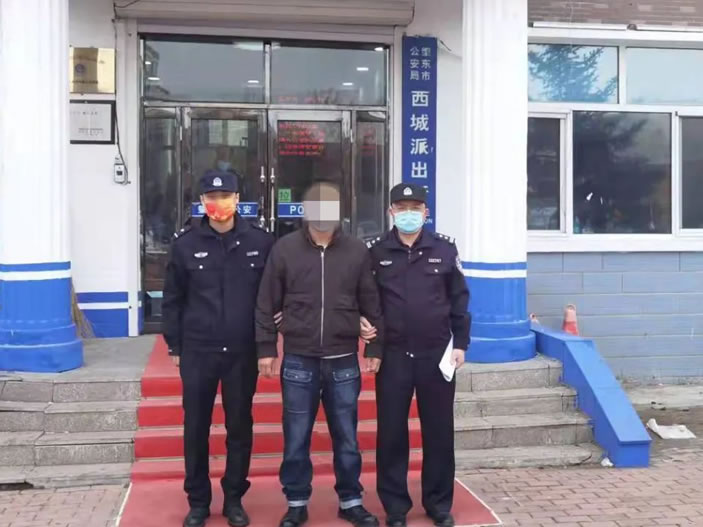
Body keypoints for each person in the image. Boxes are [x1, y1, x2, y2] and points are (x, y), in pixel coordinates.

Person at [256, 181, 384, 527]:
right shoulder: (285, 249)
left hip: (343, 359)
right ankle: (296, 502)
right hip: (299, 359)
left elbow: (371, 301)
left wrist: (375, 345)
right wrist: (266, 347)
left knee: (347, 437)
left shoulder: (356, 251)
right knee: (296, 437)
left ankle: (351, 500)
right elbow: (266, 301)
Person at [162, 170, 274, 527]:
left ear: (237, 199)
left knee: (239, 426)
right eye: (212, 197)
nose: (219, 203)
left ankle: (234, 498)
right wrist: (174, 343)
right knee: (196, 427)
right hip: (198, 350)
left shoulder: (261, 241)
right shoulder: (185, 244)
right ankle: (198, 501)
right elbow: (172, 299)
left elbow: (269, 298)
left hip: (242, 351)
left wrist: (266, 342)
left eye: (225, 196)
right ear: (202, 202)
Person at [365, 183, 471, 527]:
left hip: (436, 354)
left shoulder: (444, 248)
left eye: (415, 207)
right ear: (391, 212)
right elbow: (369, 303)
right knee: (391, 433)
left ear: (426, 212)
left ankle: (438, 503)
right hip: (393, 355)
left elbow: (459, 299)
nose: (408, 213)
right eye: (401, 207)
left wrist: (460, 344)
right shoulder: (376, 251)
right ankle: (395, 507)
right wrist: (371, 344)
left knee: (439, 431)